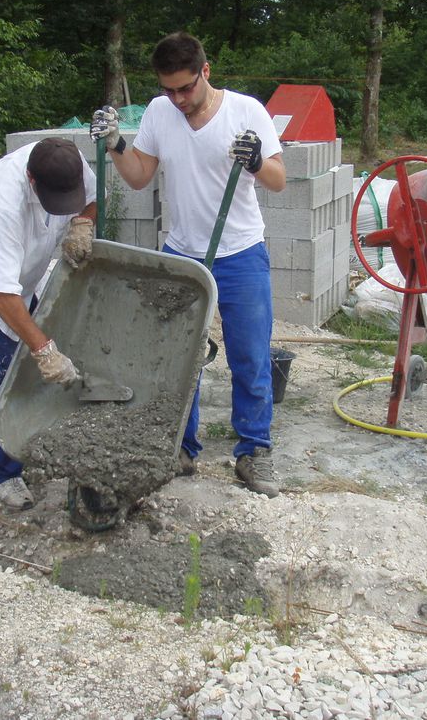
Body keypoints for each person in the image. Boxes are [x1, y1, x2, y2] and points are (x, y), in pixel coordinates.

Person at [90, 31, 287, 497]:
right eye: (168, 89)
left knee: (250, 355)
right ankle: (181, 446)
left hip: (240, 253)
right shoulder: (161, 113)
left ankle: (254, 451)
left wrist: (257, 160)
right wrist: (118, 143)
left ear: (206, 71)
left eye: (186, 88)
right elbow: (139, 177)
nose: (178, 99)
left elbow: (278, 179)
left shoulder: (246, 111)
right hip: (182, 253)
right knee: (177, 359)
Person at [0, 137, 98, 510]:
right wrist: (44, 350)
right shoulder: (6, 199)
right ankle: (5, 473)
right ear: (32, 181)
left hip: (22, 276)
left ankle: (30, 436)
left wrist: (82, 224)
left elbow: (92, 199)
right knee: (3, 375)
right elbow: (1, 295)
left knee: (26, 359)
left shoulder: (69, 162)